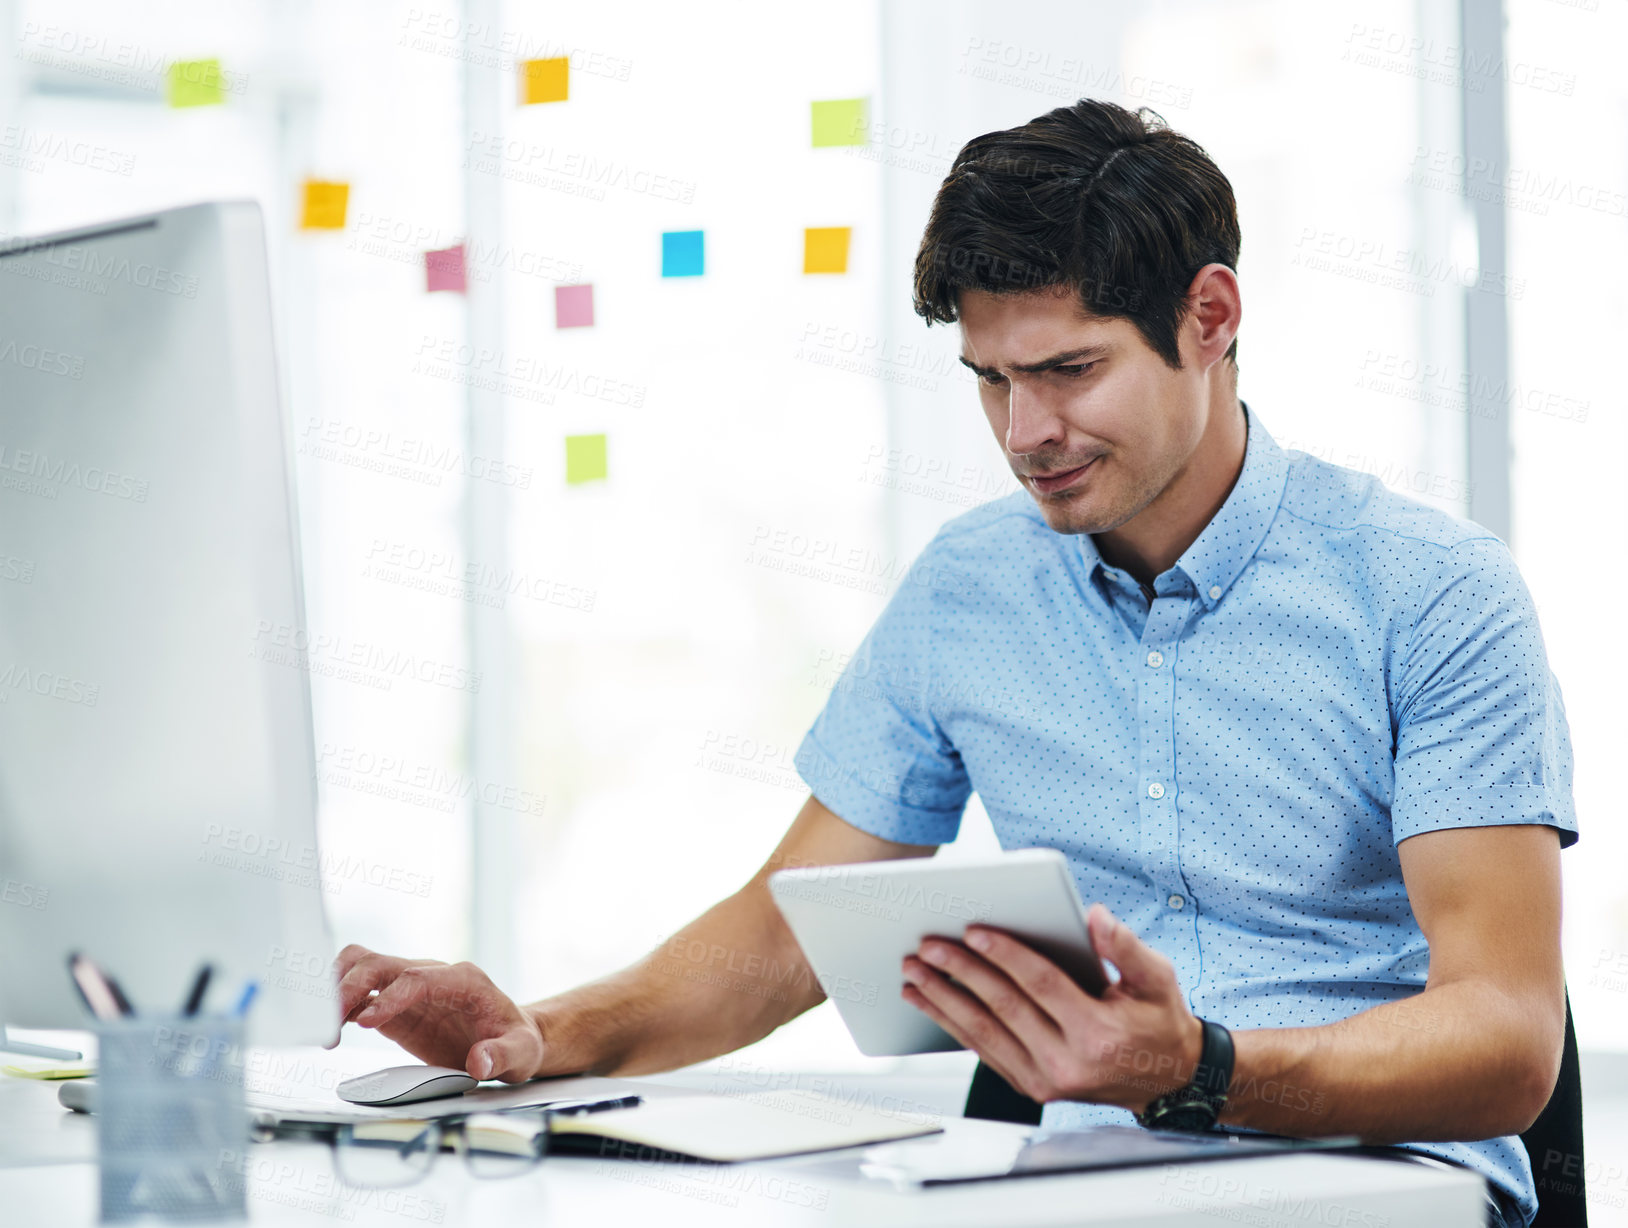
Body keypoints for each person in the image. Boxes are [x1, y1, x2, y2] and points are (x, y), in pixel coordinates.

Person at [332, 100, 1572, 1227]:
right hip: (1075, 1188)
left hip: (1377, 1186)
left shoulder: (1428, 592)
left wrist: (1195, 1068)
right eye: (990, 381)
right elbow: (779, 935)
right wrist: (535, 1034)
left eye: (1067, 371)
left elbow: (1507, 1041)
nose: (1026, 434)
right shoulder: (970, 587)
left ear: (1209, 317)